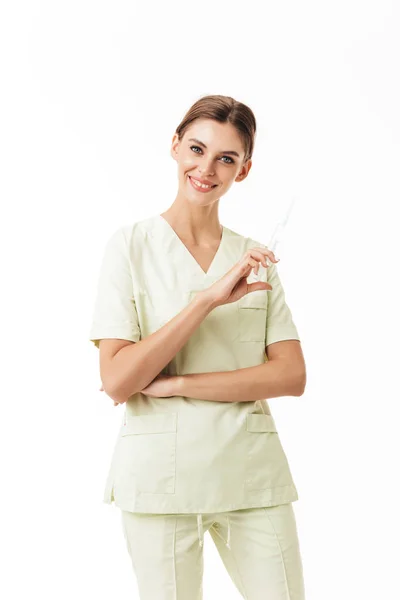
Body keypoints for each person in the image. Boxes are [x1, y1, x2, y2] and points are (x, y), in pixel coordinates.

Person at [89, 94, 307, 600]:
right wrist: (207, 300)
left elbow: (290, 377)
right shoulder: (130, 247)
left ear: (243, 171)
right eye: (196, 148)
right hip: (160, 483)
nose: (206, 168)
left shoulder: (254, 259)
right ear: (174, 146)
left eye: (226, 158)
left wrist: (183, 383)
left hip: (251, 478)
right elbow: (118, 381)